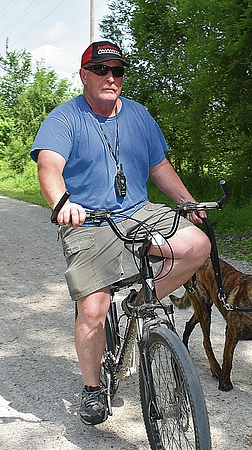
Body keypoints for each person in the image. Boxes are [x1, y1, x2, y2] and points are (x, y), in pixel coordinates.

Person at [30, 41, 211, 425]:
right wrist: (62, 203)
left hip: (139, 212)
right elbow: (49, 167)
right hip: (88, 220)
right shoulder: (65, 118)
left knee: (197, 245)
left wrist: (189, 202)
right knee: (93, 308)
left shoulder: (139, 115)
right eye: (100, 70)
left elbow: (159, 166)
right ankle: (93, 389)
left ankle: (141, 301)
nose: (110, 77)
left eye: (117, 70)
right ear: (83, 75)